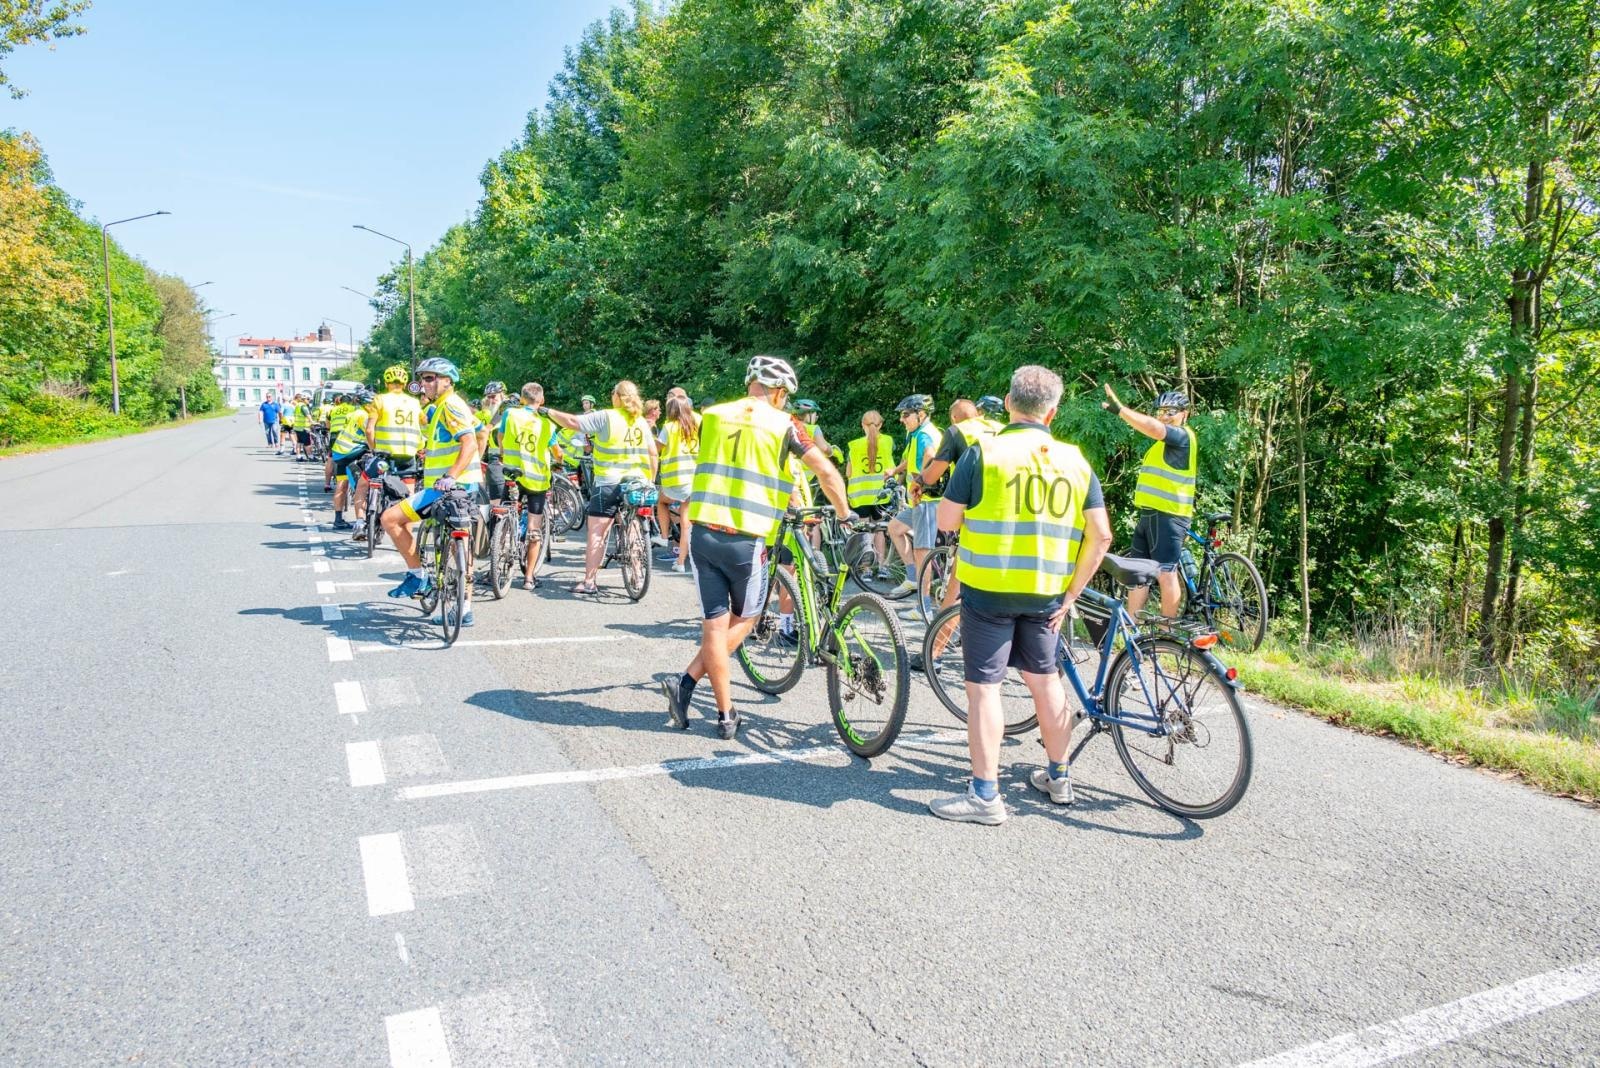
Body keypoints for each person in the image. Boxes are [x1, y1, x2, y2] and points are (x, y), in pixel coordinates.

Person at [928, 366, 1112, 825]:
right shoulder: (1075, 460)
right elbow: (1102, 535)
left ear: (1009, 403)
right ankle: (1059, 777)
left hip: (989, 589)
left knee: (984, 689)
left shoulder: (984, 453)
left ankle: (985, 795)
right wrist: (1072, 594)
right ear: (1053, 412)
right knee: (1046, 681)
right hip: (1047, 593)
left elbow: (946, 521)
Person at [661, 355, 851, 740]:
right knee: (746, 620)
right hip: (745, 537)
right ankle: (687, 683)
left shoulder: (713, 415)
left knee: (714, 626)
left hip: (702, 532)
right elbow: (826, 471)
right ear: (779, 392)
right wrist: (845, 513)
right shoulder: (785, 423)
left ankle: (725, 715)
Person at [382, 358, 483, 627]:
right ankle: (465, 609)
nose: (424, 383)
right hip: (464, 486)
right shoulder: (448, 405)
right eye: (422, 379)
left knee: (390, 519)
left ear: (447, 381)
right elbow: (481, 431)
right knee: (460, 548)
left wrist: (452, 475)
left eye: (430, 378)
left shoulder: (450, 405)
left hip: (447, 488)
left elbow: (470, 442)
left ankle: (418, 576)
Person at [540, 381, 658, 595]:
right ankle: (637, 573)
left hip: (609, 483)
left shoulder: (606, 417)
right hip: (637, 482)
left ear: (617, 396)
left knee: (597, 533)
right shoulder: (640, 421)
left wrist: (548, 411)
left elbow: (573, 422)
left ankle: (589, 582)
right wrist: (650, 479)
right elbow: (652, 453)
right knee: (633, 527)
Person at [907, 397, 1006, 625]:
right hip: (1009, 511)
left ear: (953, 417)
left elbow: (934, 474)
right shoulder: (1003, 429)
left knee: (956, 584)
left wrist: (919, 483)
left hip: (974, 512)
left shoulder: (957, 431)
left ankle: (939, 640)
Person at [1103, 385, 1196, 620]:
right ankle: (1132, 629)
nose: (1164, 416)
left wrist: (1121, 410)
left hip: (1168, 516)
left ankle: (1167, 632)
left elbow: (1154, 428)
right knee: (1138, 574)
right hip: (1150, 515)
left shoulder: (1182, 437)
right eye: (1160, 412)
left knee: (1166, 573)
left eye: (1170, 412)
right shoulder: (1162, 445)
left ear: (1184, 414)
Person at [500, 383, 558, 589]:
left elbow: (500, 437)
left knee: (504, 515)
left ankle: (498, 557)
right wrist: (559, 460)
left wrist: (503, 453)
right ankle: (529, 578)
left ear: (522, 399)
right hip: (537, 480)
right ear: (541, 400)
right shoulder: (547, 424)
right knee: (534, 528)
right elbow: (557, 451)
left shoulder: (510, 414)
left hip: (512, 474)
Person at [886, 393, 942, 596]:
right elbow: (912, 460)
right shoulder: (917, 433)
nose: (902, 419)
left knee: (922, 552)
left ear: (921, 414)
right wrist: (895, 471)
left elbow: (930, 455)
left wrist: (921, 482)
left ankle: (923, 606)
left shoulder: (925, 434)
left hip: (926, 501)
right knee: (894, 528)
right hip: (919, 502)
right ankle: (911, 578)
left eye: (906, 414)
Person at [656, 395, 700, 571]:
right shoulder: (698, 422)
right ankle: (681, 562)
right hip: (695, 478)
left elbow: (656, 448)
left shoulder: (669, 427)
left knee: (661, 502)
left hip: (675, 480)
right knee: (686, 521)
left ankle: (663, 536)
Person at [329, 388, 375, 531]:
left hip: (340, 452)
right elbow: (370, 434)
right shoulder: (364, 415)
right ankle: (361, 521)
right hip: (353, 451)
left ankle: (338, 519)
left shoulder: (354, 413)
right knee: (361, 486)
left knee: (342, 484)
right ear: (367, 403)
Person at [476, 382, 508, 502]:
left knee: (499, 498)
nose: (491, 400)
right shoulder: (488, 413)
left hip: (504, 458)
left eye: (493, 396)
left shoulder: (510, 409)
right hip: (493, 457)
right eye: (488, 397)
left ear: (502, 395)